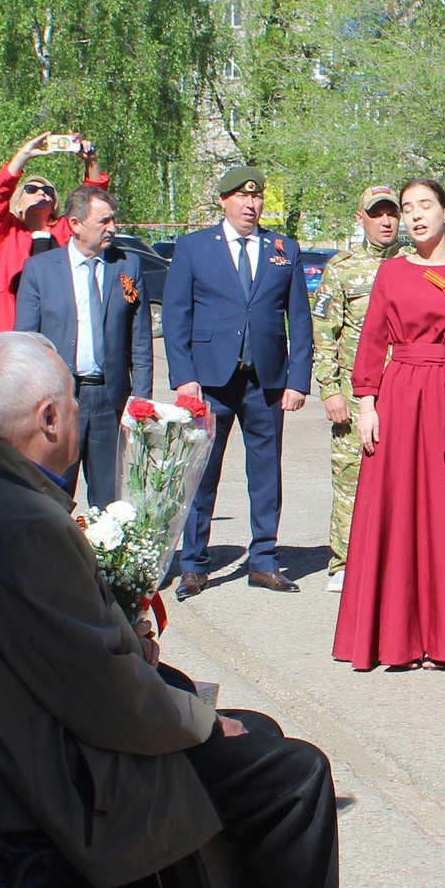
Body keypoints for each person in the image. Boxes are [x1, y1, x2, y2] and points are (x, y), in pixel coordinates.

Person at [0, 330, 382, 888]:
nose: (77, 407)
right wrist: (195, 718)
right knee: (293, 775)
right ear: (50, 419)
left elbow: (78, 664)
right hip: (55, 774)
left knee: (245, 730)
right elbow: (107, 700)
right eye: (70, 396)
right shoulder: (24, 524)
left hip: (5, 749)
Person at [332, 179, 445, 670]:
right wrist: (367, 405)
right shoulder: (391, 274)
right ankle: (395, 636)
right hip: (400, 395)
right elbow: (371, 343)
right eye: (408, 209)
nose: (415, 216)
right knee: (397, 508)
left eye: (425, 206)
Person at [165, 166, 313, 597]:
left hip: (265, 381)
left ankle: (264, 561)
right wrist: (184, 377)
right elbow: (177, 318)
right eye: (243, 198)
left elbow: (298, 321)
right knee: (201, 474)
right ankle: (193, 564)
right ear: (224, 201)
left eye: (258, 198)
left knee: (265, 474)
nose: (252, 205)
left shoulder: (282, 248)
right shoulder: (194, 248)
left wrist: (297, 380)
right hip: (209, 382)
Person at [17, 185, 154, 510]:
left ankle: (101, 560)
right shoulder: (41, 269)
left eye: (113, 220)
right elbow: (26, 342)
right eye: (103, 221)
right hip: (59, 402)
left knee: (108, 499)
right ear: (75, 224)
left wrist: (141, 400)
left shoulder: (127, 266)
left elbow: (140, 339)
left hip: (110, 398)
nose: (112, 228)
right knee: (53, 494)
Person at [314, 186, 404, 596]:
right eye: (377, 214)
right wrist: (330, 389)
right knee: (352, 475)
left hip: (403, 390)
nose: (386, 222)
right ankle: (345, 561)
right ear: (361, 218)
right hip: (353, 391)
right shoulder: (342, 269)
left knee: (401, 477)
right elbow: (324, 333)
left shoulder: (413, 264)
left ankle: (396, 561)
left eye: (392, 214)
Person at [0, 132, 108, 334]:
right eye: (31, 189)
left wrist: (91, 160)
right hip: (13, 332)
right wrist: (24, 155)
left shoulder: (67, 229)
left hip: (60, 329)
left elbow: (92, 202)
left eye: (48, 191)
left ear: (54, 203)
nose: (41, 193)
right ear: (18, 202)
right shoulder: (7, 231)